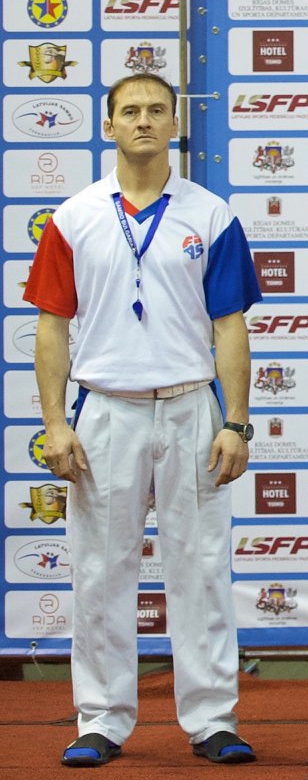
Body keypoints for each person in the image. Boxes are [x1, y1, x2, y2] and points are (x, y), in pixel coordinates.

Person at [27, 73, 260, 766]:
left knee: (202, 567)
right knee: (100, 571)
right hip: (105, 409)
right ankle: (100, 719)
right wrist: (55, 424)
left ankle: (212, 719)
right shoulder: (73, 217)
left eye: (158, 110)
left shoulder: (210, 215)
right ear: (109, 126)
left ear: (175, 124)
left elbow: (230, 326)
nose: (144, 121)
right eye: (130, 111)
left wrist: (236, 422)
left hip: (191, 406)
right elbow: (51, 328)